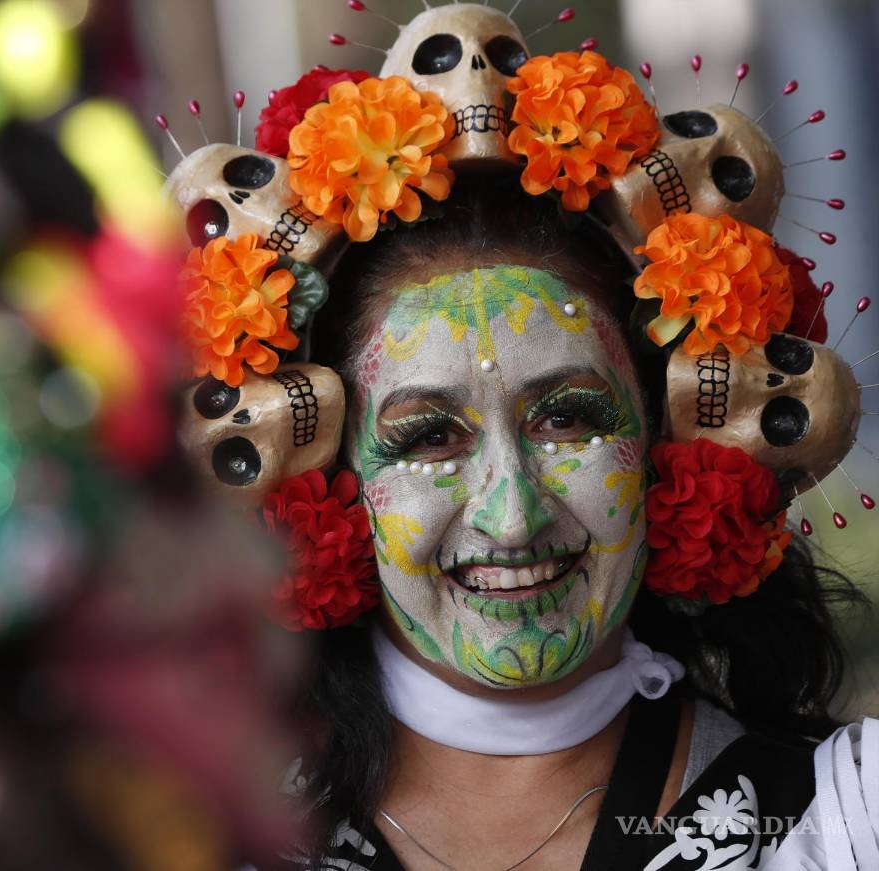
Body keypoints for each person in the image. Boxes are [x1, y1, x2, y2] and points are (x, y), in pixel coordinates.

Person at [166, 6, 878, 869]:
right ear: (329, 482)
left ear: (672, 436)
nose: (512, 516)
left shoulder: (847, 820)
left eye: (568, 417)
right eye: (429, 436)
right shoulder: (191, 838)